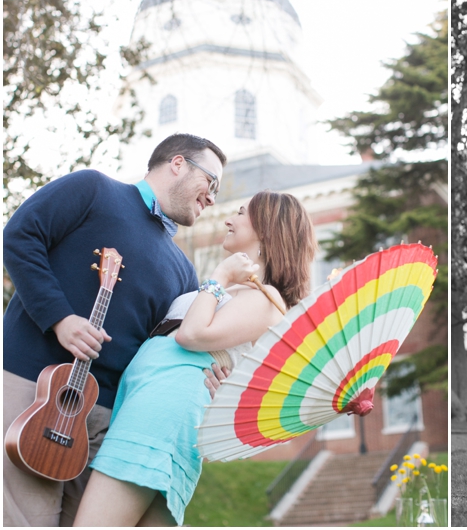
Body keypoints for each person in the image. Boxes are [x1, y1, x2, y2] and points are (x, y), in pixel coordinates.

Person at [3, 133, 227, 527]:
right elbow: (20, 237)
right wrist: (60, 318)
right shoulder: (93, 189)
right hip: (31, 384)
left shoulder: (184, 271)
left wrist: (217, 370)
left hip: (109, 418)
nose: (213, 198)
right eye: (212, 183)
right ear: (178, 164)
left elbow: (177, 345)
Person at [72, 190, 317, 527]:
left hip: (161, 414)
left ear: (267, 228)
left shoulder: (265, 297)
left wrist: (219, 276)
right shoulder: (241, 292)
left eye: (242, 213)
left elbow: (192, 335)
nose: (229, 219)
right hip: (151, 408)